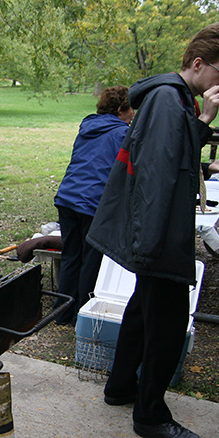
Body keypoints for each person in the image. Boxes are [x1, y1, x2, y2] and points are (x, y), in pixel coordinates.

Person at [86, 23, 219, 438]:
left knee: (143, 311)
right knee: (170, 323)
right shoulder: (167, 99)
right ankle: (150, 415)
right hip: (158, 234)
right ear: (198, 64)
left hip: (156, 231)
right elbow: (156, 178)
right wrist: (154, 246)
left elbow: (173, 158)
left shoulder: (175, 98)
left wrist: (205, 143)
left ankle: (120, 387)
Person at [53, 86, 134, 325]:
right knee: (91, 259)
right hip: (93, 203)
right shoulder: (122, 133)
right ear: (121, 109)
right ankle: (82, 313)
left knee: (71, 255)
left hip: (68, 197)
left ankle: (62, 311)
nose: (133, 114)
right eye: (131, 109)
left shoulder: (87, 126)